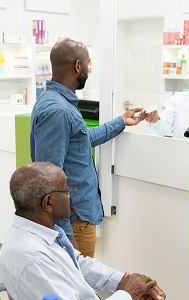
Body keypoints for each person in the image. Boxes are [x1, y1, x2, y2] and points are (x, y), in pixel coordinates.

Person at [0, 162, 189, 300]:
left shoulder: (36, 231)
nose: (70, 196)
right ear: (48, 202)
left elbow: (78, 265)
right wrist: (126, 294)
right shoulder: (31, 258)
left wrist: (122, 281)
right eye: (66, 190)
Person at [30, 38, 144, 257]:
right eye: (87, 64)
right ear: (77, 66)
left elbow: (80, 141)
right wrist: (65, 232)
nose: (88, 70)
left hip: (77, 220)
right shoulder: (59, 110)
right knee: (78, 287)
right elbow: (49, 176)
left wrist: (120, 122)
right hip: (74, 223)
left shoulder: (57, 102)